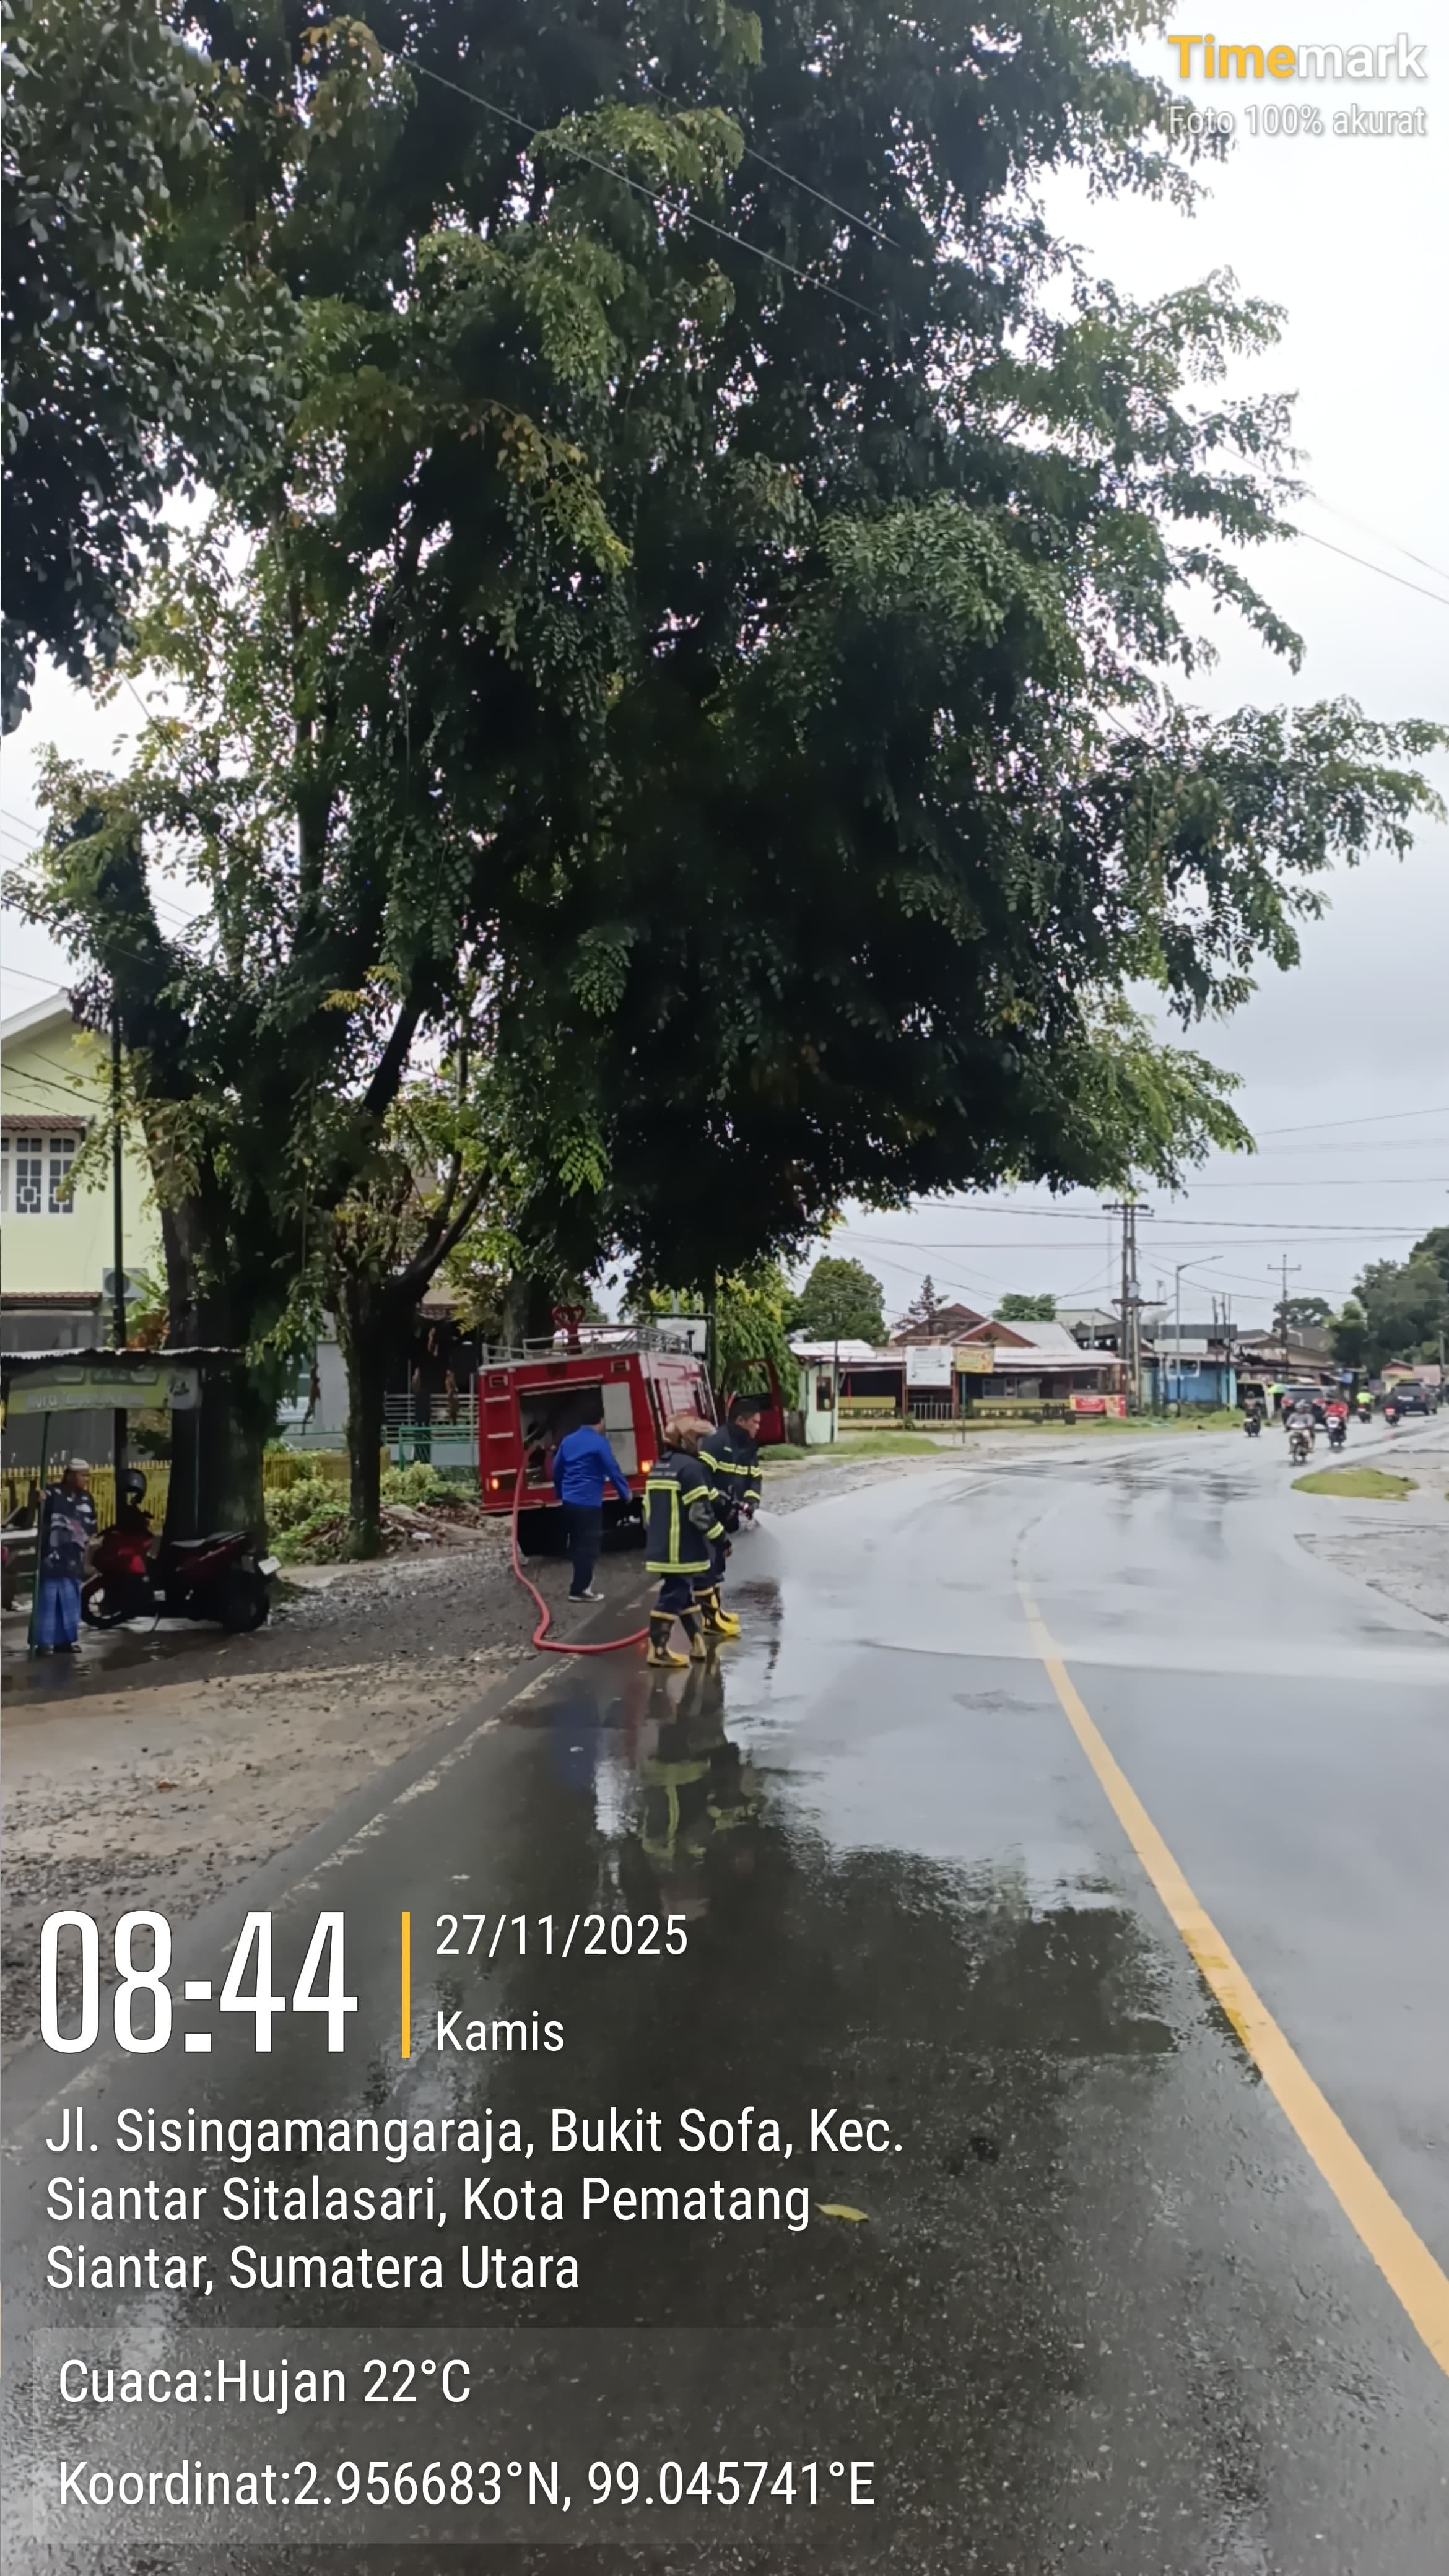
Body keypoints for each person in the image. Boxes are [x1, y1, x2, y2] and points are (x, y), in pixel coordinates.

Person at [644, 1416, 726, 1668]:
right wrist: (722, 1539)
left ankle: (697, 1642)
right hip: (682, 1549)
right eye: (699, 1439)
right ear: (687, 1439)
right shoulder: (691, 1469)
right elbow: (699, 1515)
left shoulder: (660, 1467)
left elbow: (647, 1512)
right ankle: (657, 1649)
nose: (701, 1445)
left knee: (682, 1595)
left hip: (661, 1547)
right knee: (674, 1595)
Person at [551, 1394, 632, 1601]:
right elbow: (612, 1469)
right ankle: (580, 1590)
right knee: (589, 1547)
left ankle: (579, 1585)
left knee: (577, 1544)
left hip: (569, 1503)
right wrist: (625, 1492)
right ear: (601, 1421)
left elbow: (557, 1469)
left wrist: (560, 1492)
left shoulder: (568, 1441)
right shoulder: (599, 1443)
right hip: (589, 1504)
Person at [696, 1395, 765, 1638]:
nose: (758, 1427)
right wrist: (720, 1500)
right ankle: (710, 1619)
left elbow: (754, 1477)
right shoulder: (716, 1443)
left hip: (727, 1515)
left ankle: (716, 1613)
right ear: (740, 1420)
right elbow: (702, 1477)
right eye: (755, 1422)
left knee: (719, 1565)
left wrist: (751, 1500)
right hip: (709, 1515)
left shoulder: (748, 1447)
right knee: (710, 1564)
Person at [33, 1458, 97, 1654]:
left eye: (87, 1475)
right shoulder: (51, 1493)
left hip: (73, 1557)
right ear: (70, 1475)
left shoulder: (86, 1498)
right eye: (82, 1475)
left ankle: (65, 1642)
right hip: (51, 1557)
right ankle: (44, 1643)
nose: (86, 1479)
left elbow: (90, 1528)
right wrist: (36, 1501)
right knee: (49, 1600)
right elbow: (37, 1512)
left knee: (70, 1601)